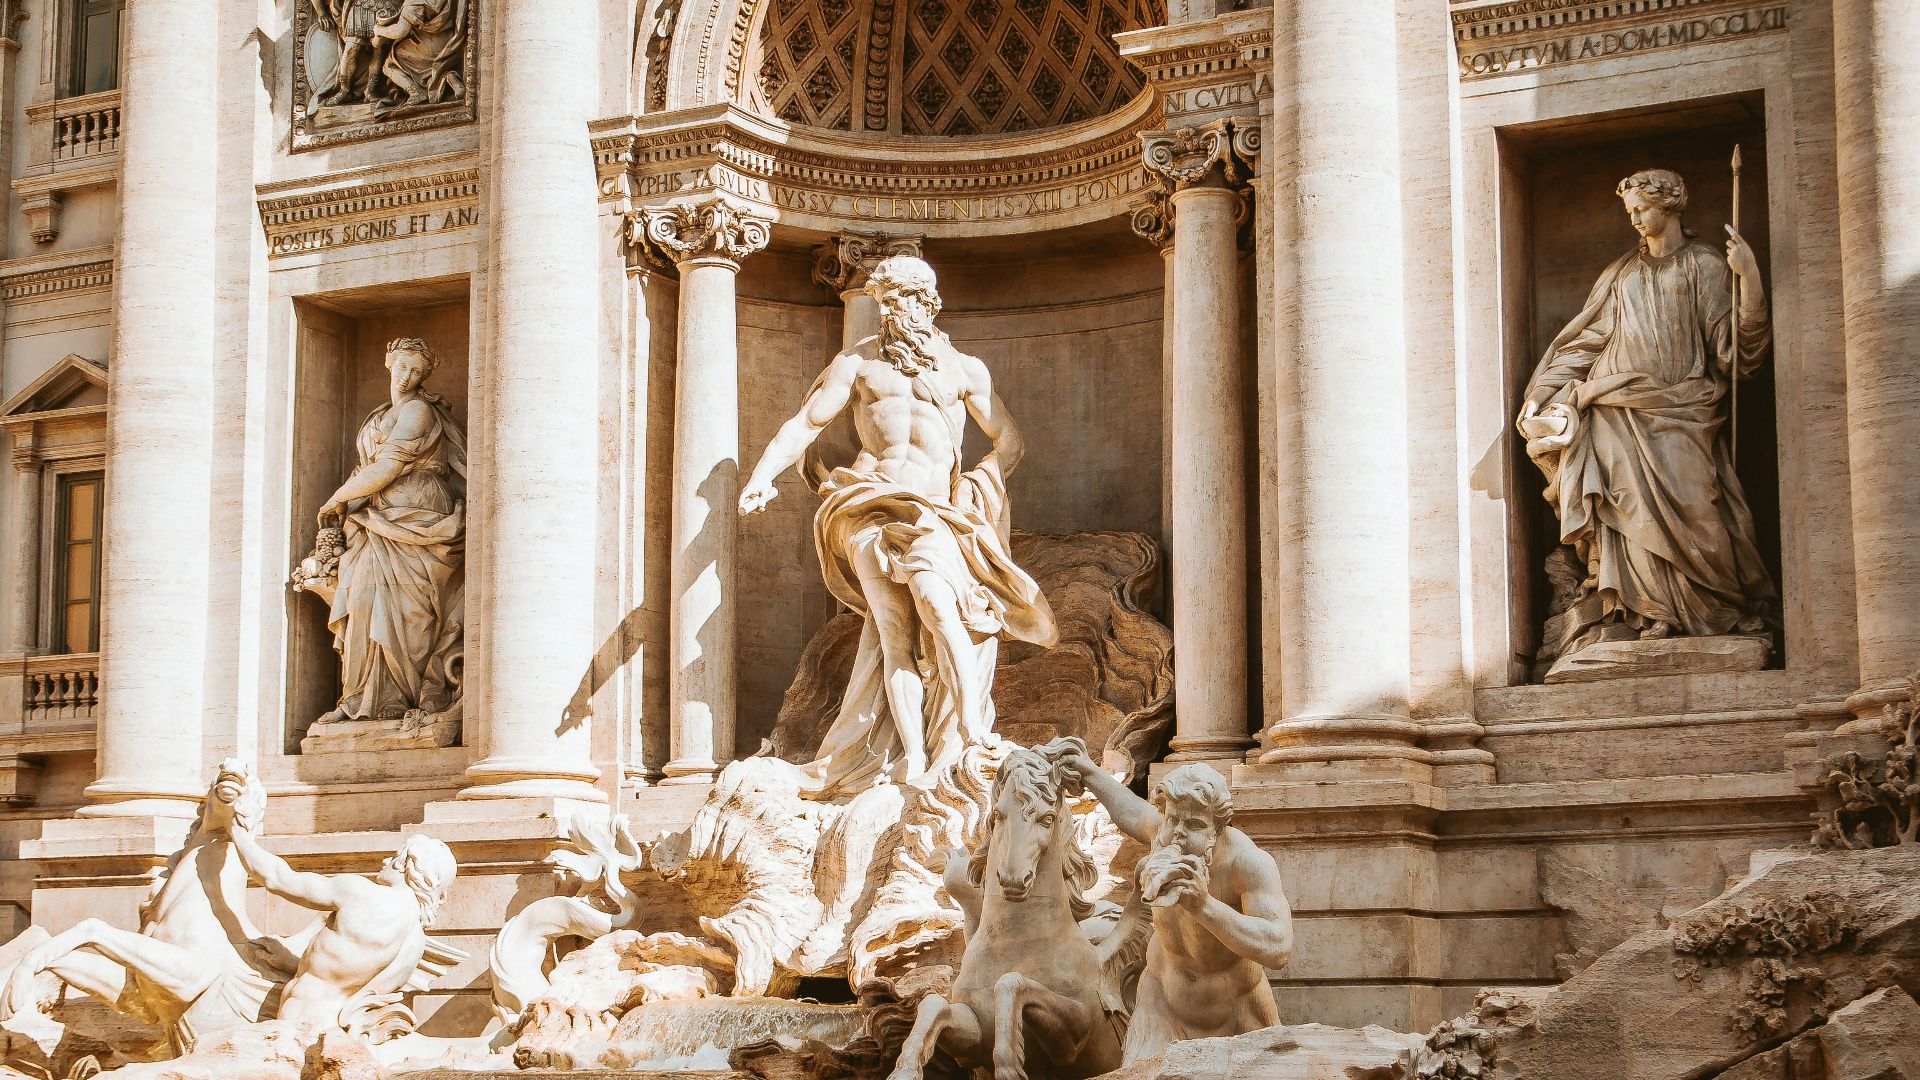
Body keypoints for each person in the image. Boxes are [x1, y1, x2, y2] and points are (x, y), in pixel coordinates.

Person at [739, 255, 1056, 793]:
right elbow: (806, 422)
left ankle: (972, 728)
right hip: (867, 503)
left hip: (933, 511)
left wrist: (979, 485)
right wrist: (762, 475)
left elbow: (1010, 441)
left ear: (928, 301)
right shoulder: (857, 365)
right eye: (885, 301)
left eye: (902, 298)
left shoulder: (964, 370)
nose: (892, 310)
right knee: (893, 638)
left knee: (938, 606)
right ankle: (910, 756)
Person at [1518, 168, 1776, 658]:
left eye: (1643, 208)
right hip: (1615, 409)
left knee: (1699, 509)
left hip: (1683, 408)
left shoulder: (1704, 266)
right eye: (1630, 211)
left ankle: (1709, 611)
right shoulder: (1621, 275)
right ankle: (1644, 614)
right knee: (1626, 512)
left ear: (1673, 204)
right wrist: (1540, 393)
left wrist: (1751, 277)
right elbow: (1585, 342)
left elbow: (1738, 352)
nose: (1635, 219)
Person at [1047, 742, 1294, 1063]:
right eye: (1172, 819)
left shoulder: (1246, 863)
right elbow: (1133, 811)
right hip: (1161, 1004)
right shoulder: (1164, 833)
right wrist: (1089, 771)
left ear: (1217, 829)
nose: (1177, 834)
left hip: (1237, 1011)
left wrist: (1203, 905)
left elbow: (1279, 948)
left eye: (1193, 825)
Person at [315, 337, 466, 731]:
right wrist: (352, 501)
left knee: (410, 608)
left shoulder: (419, 412)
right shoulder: (379, 414)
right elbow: (371, 470)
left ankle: (402, 697)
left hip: (417, 512)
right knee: (363, 599)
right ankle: (361, 698)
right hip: (374, 517)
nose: (408, 377)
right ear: (388, 362)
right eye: (403, 367)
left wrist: (338, 498)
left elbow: (388, 467)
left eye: (417, 372)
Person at [223, 826, 456, 1034]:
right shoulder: (415, 943)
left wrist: (237, 832)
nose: (386, 861)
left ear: (408, 864)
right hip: (335, 1032)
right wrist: (292, 963)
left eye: (395, 856)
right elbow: (350, 985)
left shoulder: (361, 893)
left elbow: (277, 878)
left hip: (296, 1024)